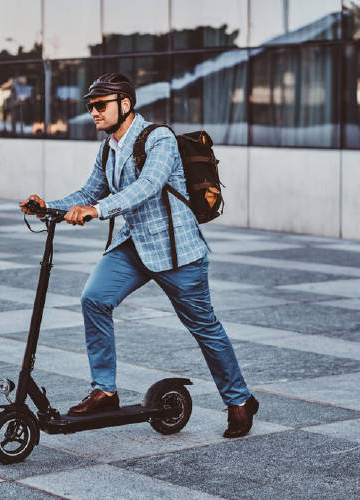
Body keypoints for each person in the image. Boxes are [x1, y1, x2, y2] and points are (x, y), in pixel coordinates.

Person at [19, 73, 258, 438]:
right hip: (133, 246)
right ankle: (105, 391)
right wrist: (47, 206)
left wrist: (96, 211)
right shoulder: (108, 147)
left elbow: (146, 188)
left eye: (101, 105)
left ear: (125, 104)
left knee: (203, 327)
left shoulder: (158, 138)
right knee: (95, 299)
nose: (94, 112)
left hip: (177, 252)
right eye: (90, 106)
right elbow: (90, 190)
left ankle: (239, 400)